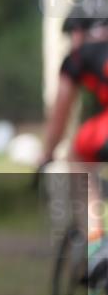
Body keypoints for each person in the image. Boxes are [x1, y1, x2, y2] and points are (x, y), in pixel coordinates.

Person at [40, 15, 108, 260]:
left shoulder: (77, 57)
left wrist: (47, 153)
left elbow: (60, 114)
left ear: (79, 33)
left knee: (77, 153)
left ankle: (96, 247)